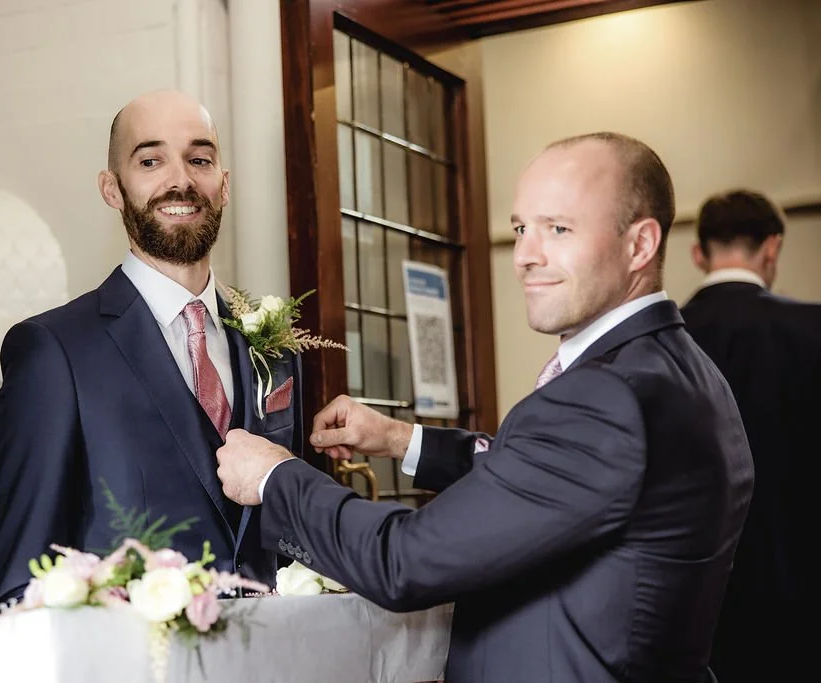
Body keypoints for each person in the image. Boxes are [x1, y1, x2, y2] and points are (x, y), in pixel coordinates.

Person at [216, 132, 754, 682]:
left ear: (639, 245)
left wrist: (275, 479)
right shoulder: (680, 367)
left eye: (558, 229)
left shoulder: (607, 396)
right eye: (522, 228)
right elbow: (551, 480)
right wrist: (403, 439)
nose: (524, 256)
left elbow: (403, 561)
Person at [0, 90, 303, 606]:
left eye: (199, 159)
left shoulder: (275, 348)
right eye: (151, 161)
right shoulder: (53, 351)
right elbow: (17, 588)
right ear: (112, 188)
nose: (180, 180)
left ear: (223, 185)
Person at [681, 189, 820, 683]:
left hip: (688, 593)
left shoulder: (661, 336)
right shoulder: (813, 329)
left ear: (699, 254)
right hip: (799, 582)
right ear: (772, 248)